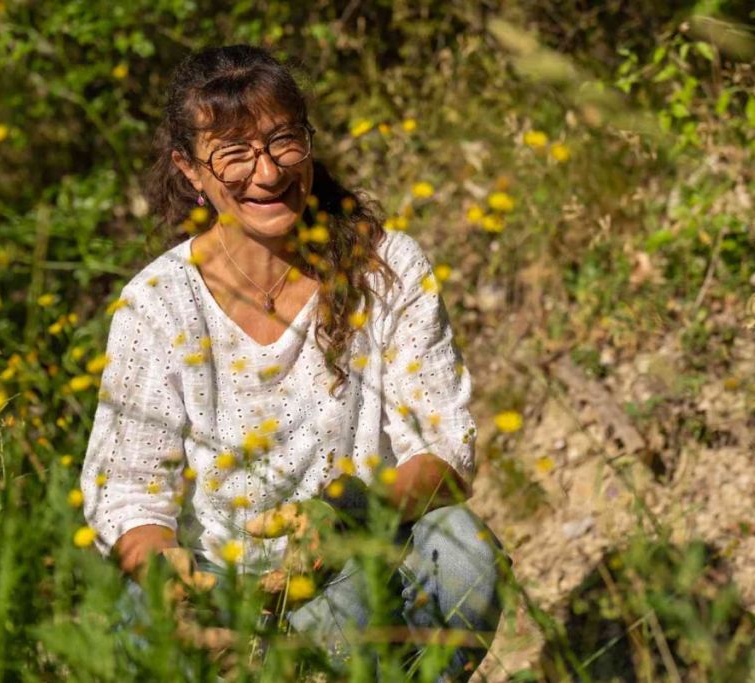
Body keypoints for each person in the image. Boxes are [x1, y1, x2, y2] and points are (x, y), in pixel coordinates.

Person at [80, 44, 505, 680]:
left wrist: (346, 514)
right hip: (223, 584)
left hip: (361, 558)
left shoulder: (384, 268)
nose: (268, 172)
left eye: (283, 141)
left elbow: (445, 451)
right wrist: (168, 572)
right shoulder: (157, 304)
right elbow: (126, 492)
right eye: (233, 153)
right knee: (138, 625)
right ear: (190, 170)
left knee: (463, 552)